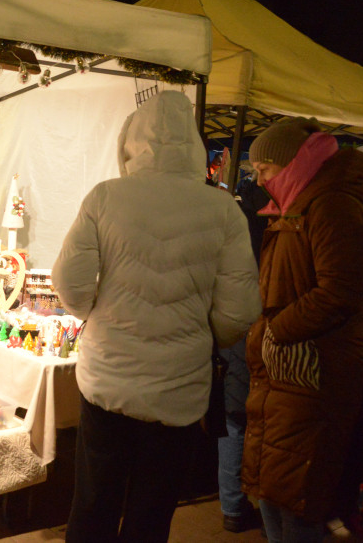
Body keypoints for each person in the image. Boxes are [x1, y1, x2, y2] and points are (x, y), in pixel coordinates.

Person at [51, 91, 261, 543]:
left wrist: (98, 313)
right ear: (192, 144)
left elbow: (69, 283)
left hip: (108, 378)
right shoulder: (223, 209)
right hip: (179, 387)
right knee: (152, 512)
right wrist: (201, 338)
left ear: (132, 143)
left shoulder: (106, 197)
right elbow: (240, 310)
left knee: (93, 501)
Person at [241, 117, 363, 543]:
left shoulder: (331, 206)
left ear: (291, 163)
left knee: (296, 496)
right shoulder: (300, 205)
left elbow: (341, 290)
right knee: (278, 490)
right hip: (290, 374)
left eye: (264, 170)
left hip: (312, 372)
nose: (261, 182)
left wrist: (276, 329)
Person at [217, 173, 270, 533]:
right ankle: (269, 512)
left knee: (234, 421)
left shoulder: (232, 223)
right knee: (269, 425)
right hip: (270, 328)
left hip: (237, 329)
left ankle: (232, 507)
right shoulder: (280, 224)